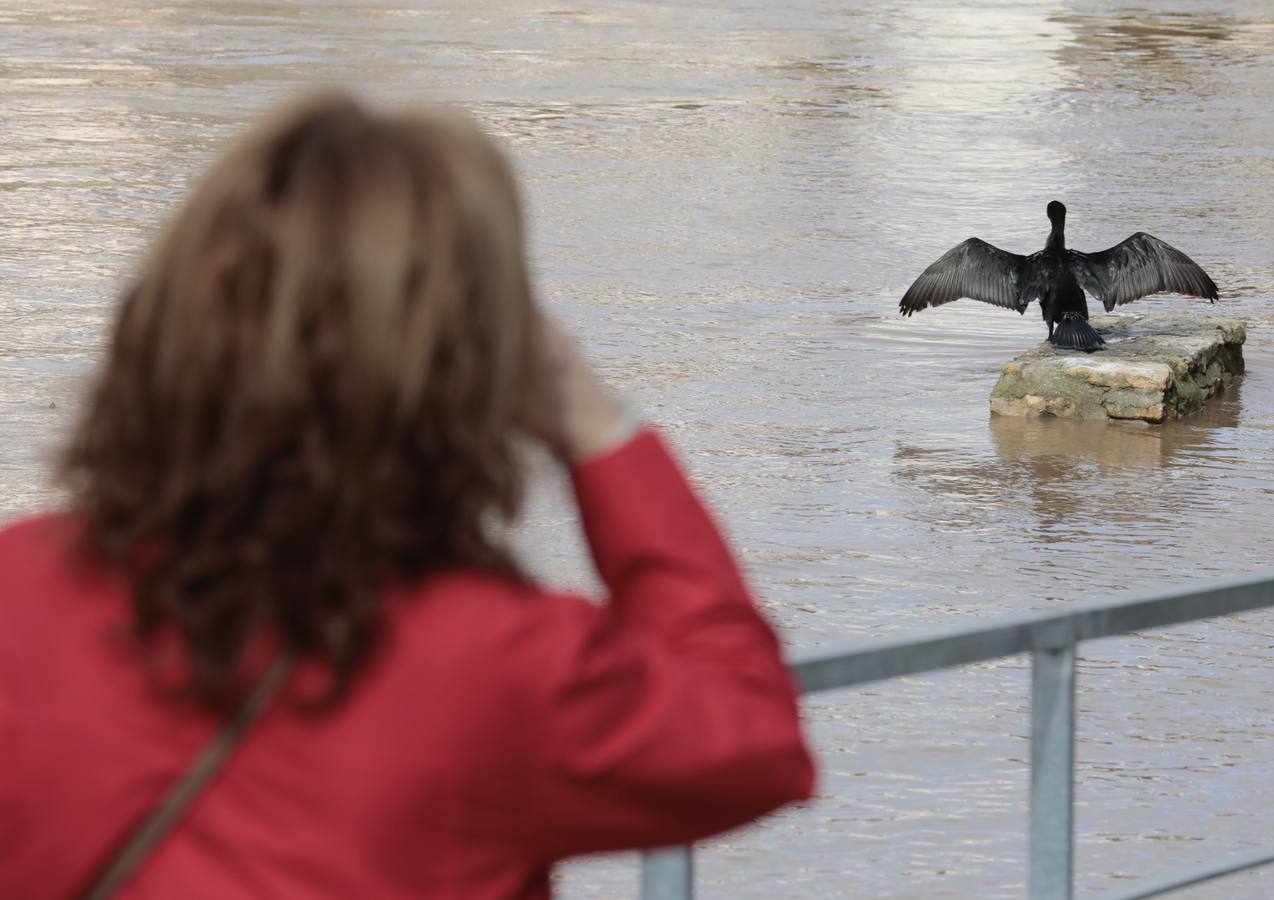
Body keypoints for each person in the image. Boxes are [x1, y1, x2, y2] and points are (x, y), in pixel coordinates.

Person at [0, 93, 814, 898]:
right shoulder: (497, 665)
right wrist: (594, 423)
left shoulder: (18, 592)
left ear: (161, 322)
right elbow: (753, 735)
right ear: (475, 376)